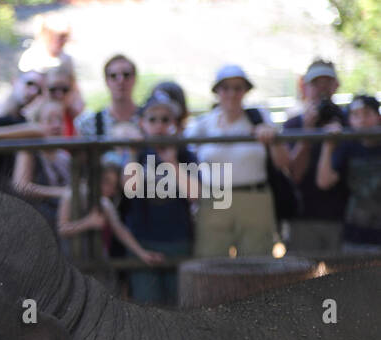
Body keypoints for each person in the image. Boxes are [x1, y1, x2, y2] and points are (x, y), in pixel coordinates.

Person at [185, 65, 289, 257]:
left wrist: (272, 139)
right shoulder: (202, 124)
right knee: (211, 263)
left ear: (245, 91)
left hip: (254, 198)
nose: (232, 94)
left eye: (238, 88)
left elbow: (283, 162)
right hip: (213, 200)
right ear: (217, 91)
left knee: (256, 264)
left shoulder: (260, 118)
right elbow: (184, 153)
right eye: (226, 88)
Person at [122, 92, 197, 304]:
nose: (159, 125)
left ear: (174, 123)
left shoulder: (183, 153)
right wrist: (132, 152)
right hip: (142, 241)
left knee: (178, 305)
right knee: (147, 305)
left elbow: (195, 195)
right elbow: (130, 188)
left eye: (165, 120)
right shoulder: (137, 152)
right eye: (152, 119)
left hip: (177, 240)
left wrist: (171, 161)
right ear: (142, 123)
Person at [59, 151, 166, 273]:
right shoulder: (71, 195)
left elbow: (120, 230)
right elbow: (62, 229)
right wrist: (87, 222)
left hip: (96, 262)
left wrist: (142, 253)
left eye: (114, 186)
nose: (109, 189)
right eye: (106, 182)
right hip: (72, 262)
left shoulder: (105, 203)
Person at [282, 59, 350, 251]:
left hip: (342, 218)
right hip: (303, 217)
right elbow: (294, 173)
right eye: (316, 83)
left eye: (327, 82)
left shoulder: (349, 122)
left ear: (335, 85)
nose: (322, 89)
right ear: (305, 87)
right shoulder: (294, 125)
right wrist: (308, 131)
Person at [316, 94, 381, 252]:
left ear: (378, 117)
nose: (362, 120)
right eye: (356, 115)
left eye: (367, 114)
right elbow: (324, 182)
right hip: (356, 234)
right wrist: (328, 145)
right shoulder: (347, 147)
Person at [11, 99, 71, 230]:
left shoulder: (65, 156)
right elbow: (21, 186)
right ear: (37, 124)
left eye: (60, 120)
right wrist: (60, 193)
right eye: (50, 120)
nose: (56, 125)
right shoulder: (29, 150)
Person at [75, 55, 142, 140]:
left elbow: (153, 153)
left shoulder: (152, 120)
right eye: (113, 76)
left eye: (126, 75)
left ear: (135, 78)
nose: (120, 81)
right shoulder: (89, 123)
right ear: (106, 81)